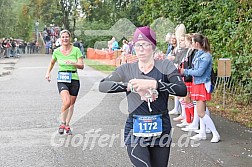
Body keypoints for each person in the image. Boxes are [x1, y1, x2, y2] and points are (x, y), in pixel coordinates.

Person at [99, 26, 187, 166]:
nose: (140, 49)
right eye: (137, 45)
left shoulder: (165, 66)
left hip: (161, 129)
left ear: (153, 46)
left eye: (145, 44)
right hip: (135, 129)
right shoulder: (127, 69)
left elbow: (182, 90)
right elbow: (103, 85)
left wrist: (154, 84)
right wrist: (131, 86)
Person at [181, 33, 220, 143]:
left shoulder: (206, 56)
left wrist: (185, 71)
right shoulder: (199, 53)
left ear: (197, 44)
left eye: (192, 42)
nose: (191, 43)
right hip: (197, 83)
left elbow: (199, 72)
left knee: (200, 112)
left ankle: (215, 133)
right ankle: (202, 132)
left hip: (202, 84)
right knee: (201, 111)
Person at [45, 29, 84, 135]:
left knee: (71, 104)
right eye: (63, 37)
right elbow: (52, 63)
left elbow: (82, 66)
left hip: (74, 78)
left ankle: (67, 124)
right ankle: (62, 123)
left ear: (69, 38)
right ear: (60, 38)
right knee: (66, 101)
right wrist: (48, 73)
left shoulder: (76, 50)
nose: (65, 39)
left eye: (67, 37)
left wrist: (73, 62)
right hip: (62, 79)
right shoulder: (57, 51)